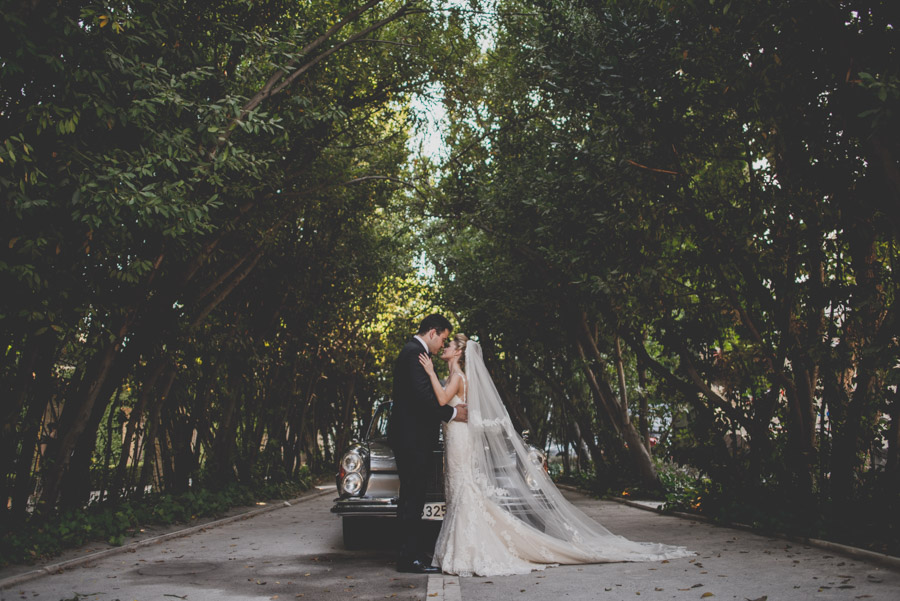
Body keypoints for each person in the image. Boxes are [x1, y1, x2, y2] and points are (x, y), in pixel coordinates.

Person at [419, 334, 694, 577]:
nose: (443, 347)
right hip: (455, 437)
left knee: (464, 488)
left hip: (459, 439)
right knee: (459, 489)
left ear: (457, 353)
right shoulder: (456, 376)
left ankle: (466, 552)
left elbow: (443, 401)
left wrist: (430, 372)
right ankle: (461, 549)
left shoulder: (456, 377)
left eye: (449, 345)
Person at [388, 314, 469, 574]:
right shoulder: (414, 353)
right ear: (433, 332)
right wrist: (454, 415)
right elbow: (424, 398)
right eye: (442, 339)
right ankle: (408, 558)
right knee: (412, 496)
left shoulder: (417, 353)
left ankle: (411, 552)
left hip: (414, 437)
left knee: (414, 496)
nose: (441, 346)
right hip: (411, 438)